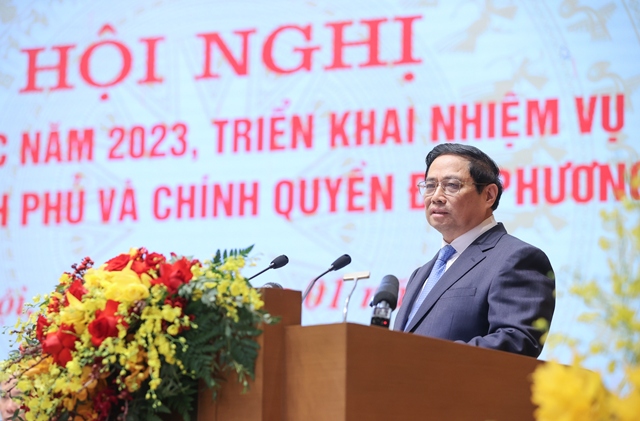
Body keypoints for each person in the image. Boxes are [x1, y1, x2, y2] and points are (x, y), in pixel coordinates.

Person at [393, 143, 555, 358]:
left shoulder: (517, 259)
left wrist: (430, 360)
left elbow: (516, 342)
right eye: (430, 186)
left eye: (452, 185)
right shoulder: (421, 274)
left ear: (489, 195)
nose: (436, 196)